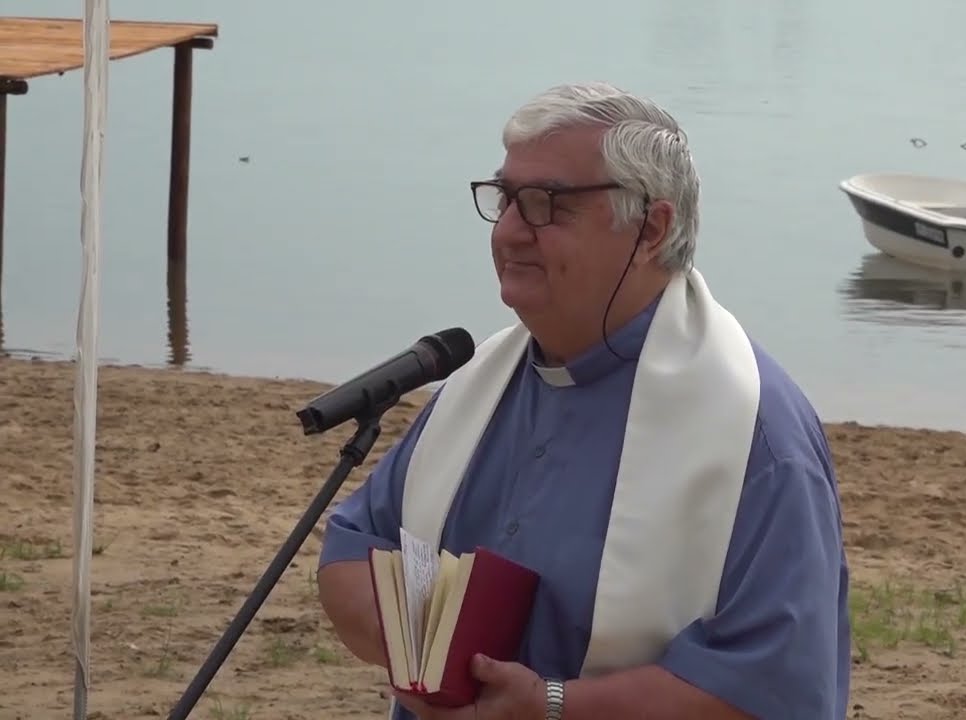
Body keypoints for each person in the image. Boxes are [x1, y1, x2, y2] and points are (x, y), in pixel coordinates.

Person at [316, 81, 851, 720]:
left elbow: (779, 686)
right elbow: (353, 549)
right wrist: (429, 661)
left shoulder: (753, 435)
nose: (509, 233)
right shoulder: (478, 386)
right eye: (506, 198)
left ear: (650, 229)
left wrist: (552, 707)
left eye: (546, 204)